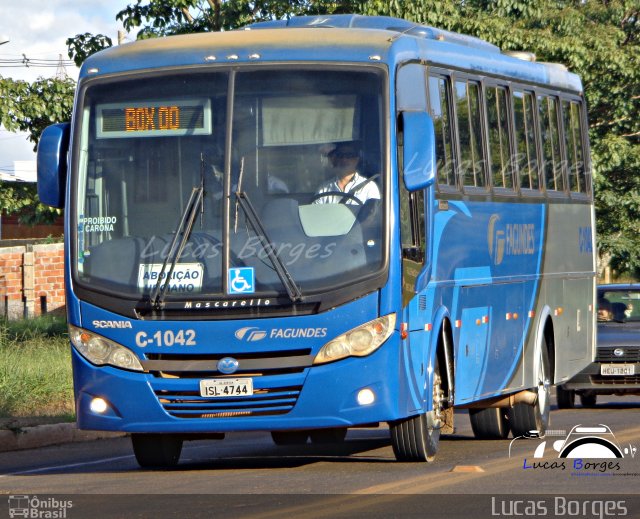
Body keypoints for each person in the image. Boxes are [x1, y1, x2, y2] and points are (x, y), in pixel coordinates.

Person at [314, 141, 380, 205]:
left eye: (349, 155)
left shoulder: (369, 187)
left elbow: (374, 213)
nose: (344, 159)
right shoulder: (324, 189)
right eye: (340, 155)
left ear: (356, 159)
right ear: (336, 159)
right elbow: (315, 213)